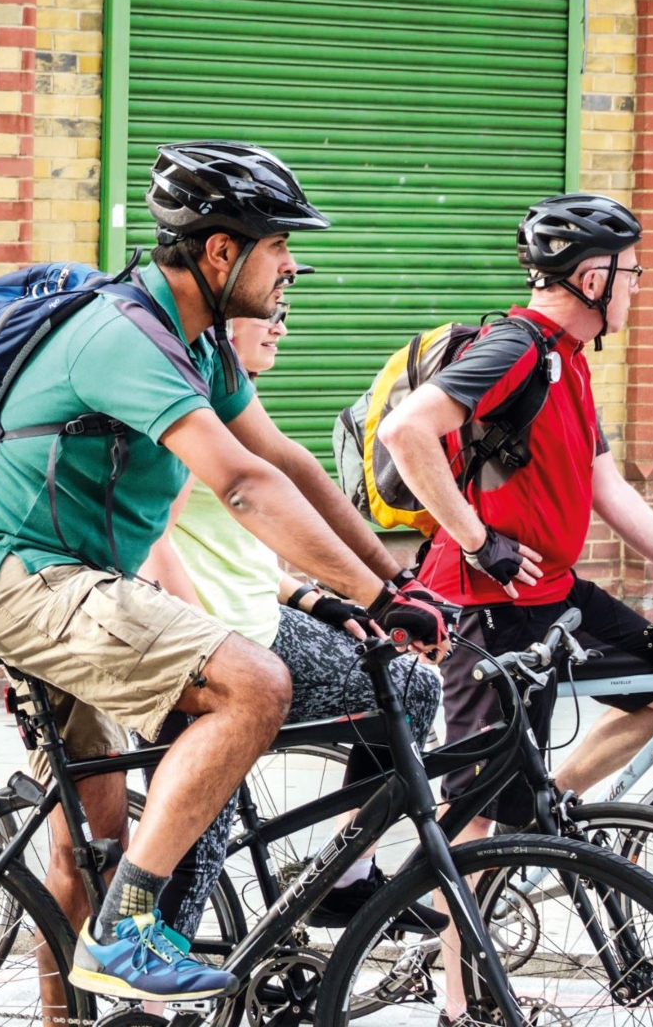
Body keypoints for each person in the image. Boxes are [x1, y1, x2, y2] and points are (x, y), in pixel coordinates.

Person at [0, 141, 448, 1003]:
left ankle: (77, 1001)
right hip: (19, 580)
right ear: (220, 251)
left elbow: (287, 461)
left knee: (88, 843)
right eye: (279, 243)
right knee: (255, 684)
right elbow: (242, 485)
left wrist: (392, 584)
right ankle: (130, 929)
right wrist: (374, 597)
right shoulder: (123, 336)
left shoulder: (200, 347)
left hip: (75, 580)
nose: (293, 266)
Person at [375, 192, 653, 1025]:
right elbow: (409, 429)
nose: (640, 287)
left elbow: (602, 485)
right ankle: (457, 996)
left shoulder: (569, 359)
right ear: (593, 275)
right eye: (633, 273)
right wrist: (478, 539)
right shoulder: (516, 348)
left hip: (554, 595)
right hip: (482, 604)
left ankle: (542, 818)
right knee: (474, 812)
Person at [135, 269, 446, 939]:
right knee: (188, 871)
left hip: (266, 627)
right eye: (267, 313)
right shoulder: (190, 418)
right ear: (217, 328)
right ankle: (151, 1002)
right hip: (215, 655)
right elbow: (152, 544)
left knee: (412, 686)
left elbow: (238, 547)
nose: (283, 324)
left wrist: (319, 598)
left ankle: (344, 876)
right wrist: (203, 653)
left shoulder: (235, 414)